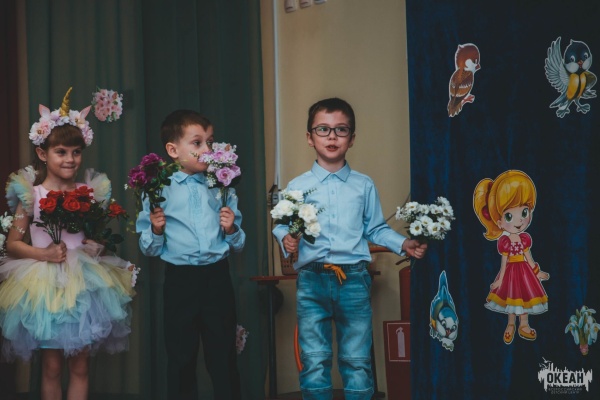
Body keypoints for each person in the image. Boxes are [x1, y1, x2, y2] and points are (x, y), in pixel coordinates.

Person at [273, 97, 428, 400]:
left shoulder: (363, 185)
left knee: (356, 360)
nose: (332, 136)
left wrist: (403, 244)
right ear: (310, 138)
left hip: (354, 281)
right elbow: (282, 224)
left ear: (352, 138)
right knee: (314, 360)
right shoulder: (297, 186)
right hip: (312, 281)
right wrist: (286, 238)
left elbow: (376, 229)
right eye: (323, 129)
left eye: (341, 130)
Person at [0, 88, 136, 399]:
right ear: (42, 154)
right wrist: (44, 253)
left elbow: (94, 237)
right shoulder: (31, 195)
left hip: (84, 284)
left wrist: (98, 246)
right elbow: (13, 245)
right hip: (44, 285)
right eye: (61, 152)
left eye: (76, 152)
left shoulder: (89, 192)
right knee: (51, 367)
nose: (70, 159)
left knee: (81, 366)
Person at [136, 110, 245, 400]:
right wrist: (156, 230)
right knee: (181, 357)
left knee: (223, 356)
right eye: (197, 143)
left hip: (217, 278)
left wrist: (232, 228)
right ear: (173, 150)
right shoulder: (157, 189)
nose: (207, 149)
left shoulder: (222, 184)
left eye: (210, 141)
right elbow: (148, 248)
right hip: (180, 281)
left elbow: (238, 244)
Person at [473, 170, 549, 345]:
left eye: (525, 212)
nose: (519, 221)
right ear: (499, 222)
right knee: (511, 298)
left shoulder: (525, 239)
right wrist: (500, 280)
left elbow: (529, 257)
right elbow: (504, 262)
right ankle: (510, 324)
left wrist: (537, 272)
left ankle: (524, 324)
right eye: (509, 216)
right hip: (511, 273)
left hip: (525, 272)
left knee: (525, 298)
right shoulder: (505, 241)